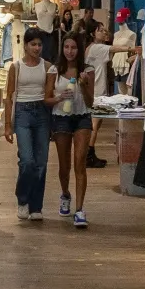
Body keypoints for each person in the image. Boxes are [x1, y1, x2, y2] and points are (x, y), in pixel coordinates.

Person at [2, 31, 53, 221]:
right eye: (33, 44)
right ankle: (22, 199)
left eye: (39, 44)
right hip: (22, 112)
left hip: (41, 113)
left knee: (41, 162)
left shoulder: (47, 66)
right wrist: (8, 125)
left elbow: (49, 94)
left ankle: (36, 206)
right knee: (27, 160)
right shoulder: (16, 67)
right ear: (25, 45)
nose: (37, 48)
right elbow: (8, 97)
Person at [48, 33, 96, 227]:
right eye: (66, 47)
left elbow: (91, 102)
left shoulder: (88, 69)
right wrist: (59, 97)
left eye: (73, 48)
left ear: (80, 49)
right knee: (64, 164)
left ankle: (80, 209)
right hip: (60, 118)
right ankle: (65, 194)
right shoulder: (54, 70)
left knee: (80, 163)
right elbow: (46, 98)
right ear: (62, 48)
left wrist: (84, 85)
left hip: (82, 117)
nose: (70, 51)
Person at [84, 24, 114, 167]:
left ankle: (90, 153)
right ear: (93, 33)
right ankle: (88, 155)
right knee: (94, 124)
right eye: (100, 30)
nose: (104, 32)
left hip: (94, 89)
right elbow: (116, 48)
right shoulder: (98, 48)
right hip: (98, 91)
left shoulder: (91, 47)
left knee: (96, 123)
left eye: (104, 30)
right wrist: (134, 49)